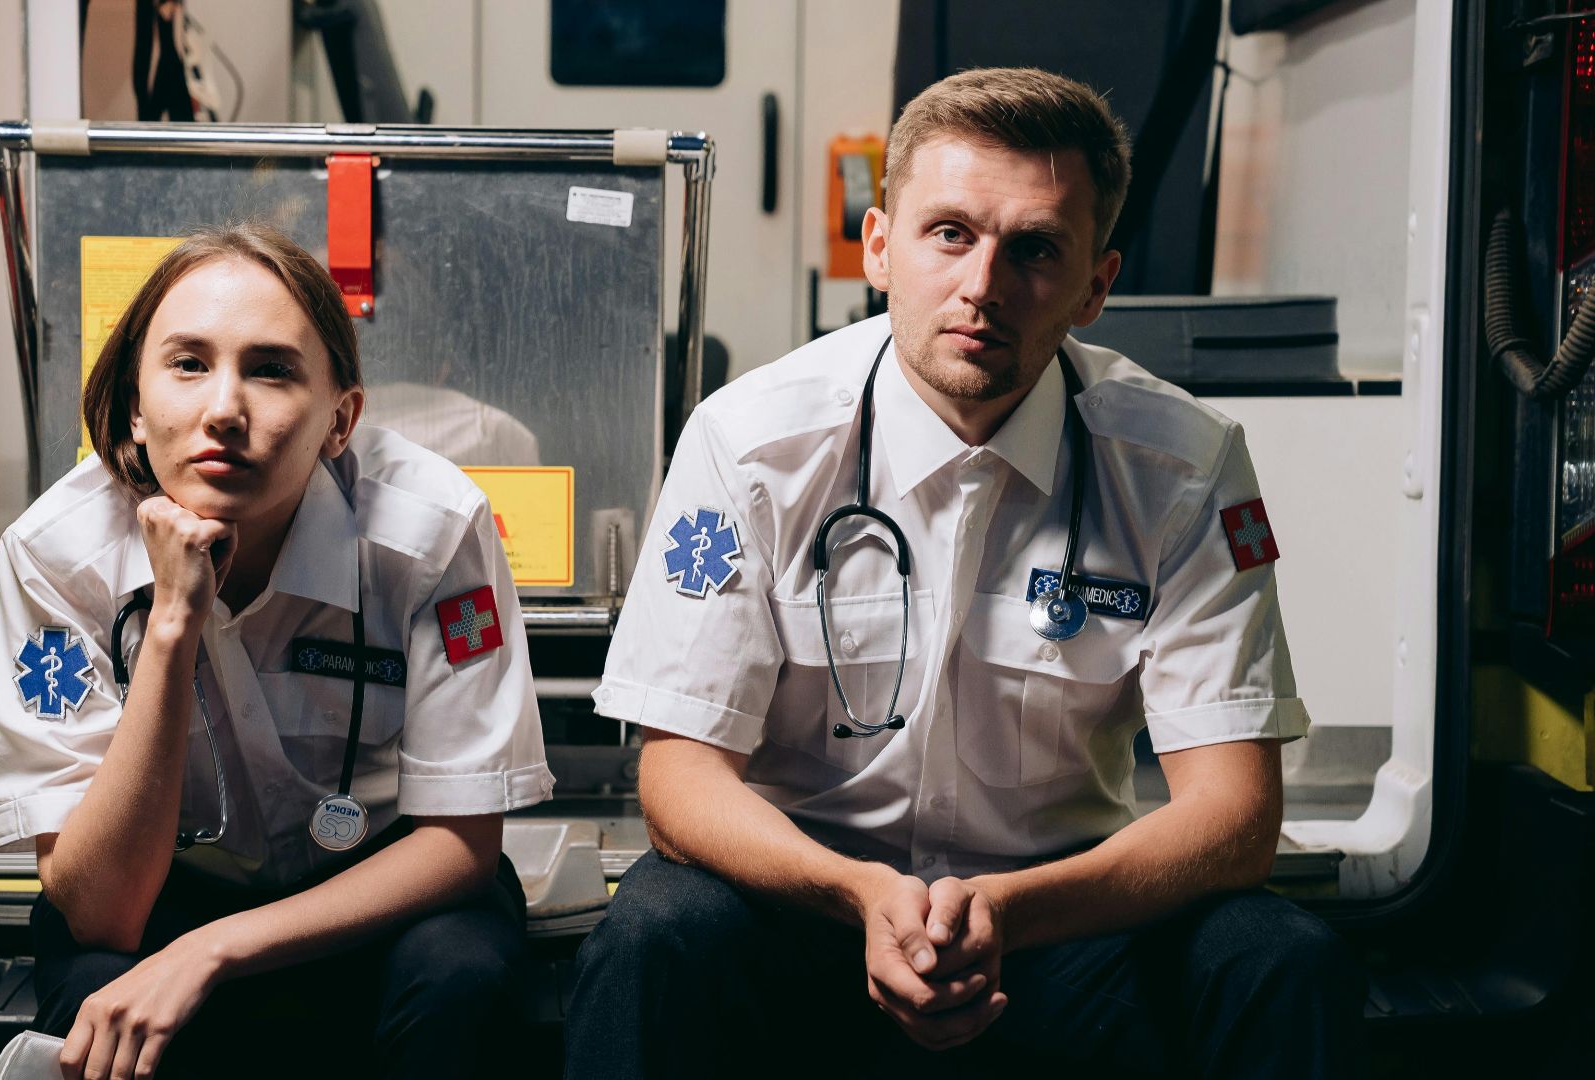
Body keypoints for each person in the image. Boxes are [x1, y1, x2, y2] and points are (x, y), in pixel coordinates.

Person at [564, 67, 1364, 1078]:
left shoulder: (1182, 467)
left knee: (1277, 960)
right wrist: (857, 895)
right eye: (950, 234)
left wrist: (1007, 913)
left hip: (1060, 924)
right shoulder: (750, 444)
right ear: (880, 247)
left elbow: (1235, 818)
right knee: (652, 937)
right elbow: (679, 779)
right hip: (807, 908)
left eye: (1034, 249)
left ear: (1095, 286)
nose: (983, 285)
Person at [0, 222, 554, 1078]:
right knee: (102, 989)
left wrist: (216, 950)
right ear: (137, 404)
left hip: (383, 895)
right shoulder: (55, 556)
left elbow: (462, 844)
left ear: (339, 419)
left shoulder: (432, 531)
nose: (223, 410)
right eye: (188, 363)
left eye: (271, 369)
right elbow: (101, 910)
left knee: (462, 975)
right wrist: (172, 624)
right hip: (154, 897)